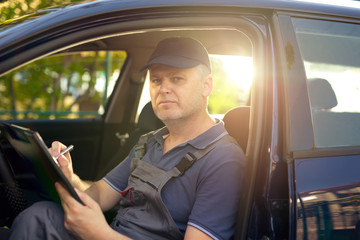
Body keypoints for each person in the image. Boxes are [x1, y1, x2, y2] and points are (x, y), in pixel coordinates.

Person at [8, 37, 246, 240]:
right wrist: (68, 175)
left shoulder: (224, 160)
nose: (163, 88)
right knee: (41, 215)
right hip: (114, 232)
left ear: (207, 86)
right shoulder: (149, 142)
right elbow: (100, 195)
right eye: (156, 80)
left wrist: (100, 234)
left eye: (177, 79)